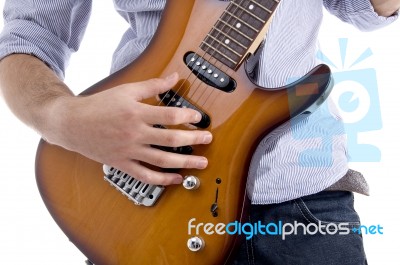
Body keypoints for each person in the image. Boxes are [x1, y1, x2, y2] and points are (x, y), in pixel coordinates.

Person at [0, 0, 398, 264]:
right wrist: (66, 118)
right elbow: (28, 36)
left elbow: (364, 9)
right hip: (144, 208)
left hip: (306, 206)